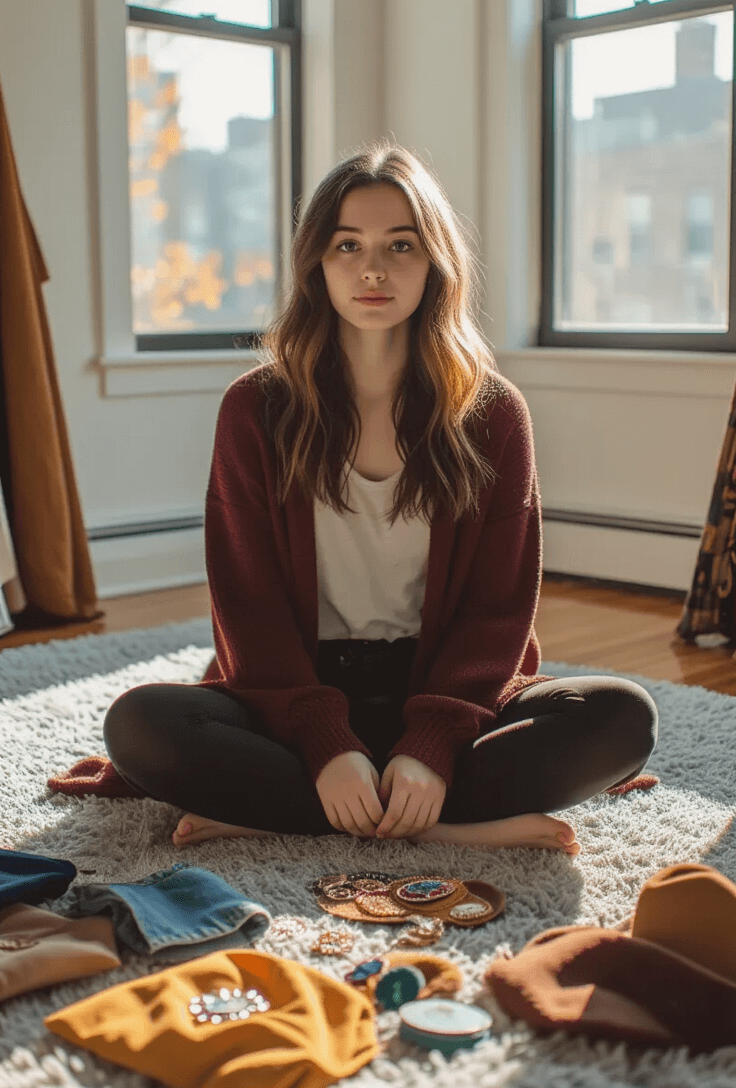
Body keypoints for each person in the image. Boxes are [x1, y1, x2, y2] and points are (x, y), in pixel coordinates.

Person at [103, 142, 657, 853]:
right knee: (141, 726)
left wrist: (430, 741)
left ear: (435, 263)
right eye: (347, 245)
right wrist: (325, 741)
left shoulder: (492, 414)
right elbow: (249, 607)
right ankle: (448, 826)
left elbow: (498, 611)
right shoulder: (255, 410)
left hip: (444, 688)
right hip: (296, 693)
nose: (373, 268)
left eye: (401, 244)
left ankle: (287, 815)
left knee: (619, 718)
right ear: (317, 264)